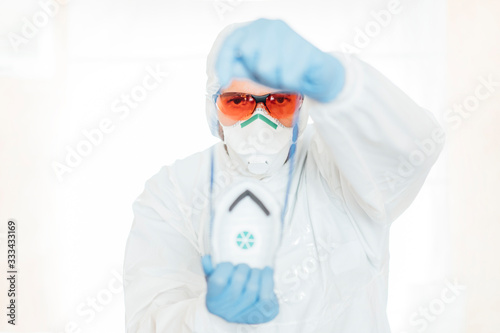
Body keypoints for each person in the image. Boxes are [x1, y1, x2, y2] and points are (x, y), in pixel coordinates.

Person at [123, 18, 445, 332]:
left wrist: (340, 85)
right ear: (213, 109)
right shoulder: (175, 192)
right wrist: (210, 319)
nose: (259, 120)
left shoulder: (339, 162)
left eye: (279, 101)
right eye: (238, 102)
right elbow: (148, 319)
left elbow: (412, 153)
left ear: (301, 105)